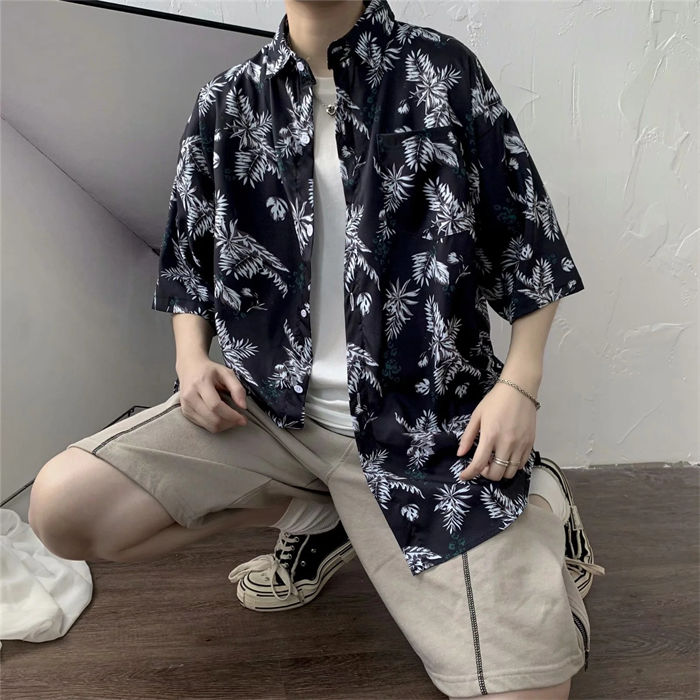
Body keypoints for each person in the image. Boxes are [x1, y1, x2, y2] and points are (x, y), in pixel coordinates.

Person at [28, 0, 605, 697]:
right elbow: (189, 260)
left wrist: (519, 387)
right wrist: (191, 360)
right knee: (61, 508)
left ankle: (537, 502)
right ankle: (322, 513)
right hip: (266, 413)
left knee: (527, 691)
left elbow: (528, 243)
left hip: (424, 432)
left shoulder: (442, 70)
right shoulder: (228, 101)